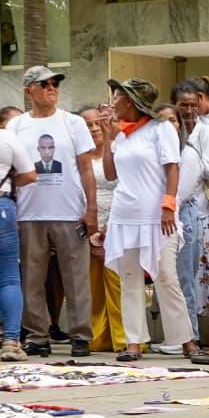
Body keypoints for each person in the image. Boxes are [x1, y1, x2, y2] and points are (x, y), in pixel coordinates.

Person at [100, 79, 201, 362]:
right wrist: (108, 138)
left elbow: (172, 168)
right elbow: (110, 174)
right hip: (125, 215)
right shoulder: (122, 135)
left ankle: (185, 339)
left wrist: (169, 204)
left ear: (130, 102)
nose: (113, 101)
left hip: (156, 216)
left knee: (166, 277)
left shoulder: (161, 129)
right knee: (130, 278)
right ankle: (133, 341)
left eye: (117, 97)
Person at [11, 66, 96, 359]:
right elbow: (9, 169)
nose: (51, 88)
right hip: (28, 212)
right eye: (44, 84)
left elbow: (86, 168)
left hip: (69, 210)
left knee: (76, 277)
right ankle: (37, 335)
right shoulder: (16, 126)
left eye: (54, 83)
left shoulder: (73, 123)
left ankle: (80, 335)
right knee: (32, 279)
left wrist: (91, 208)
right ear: (28, 91)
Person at [171, 82, 209, 349]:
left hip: (200, 212)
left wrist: (189, 160)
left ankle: (205, 336)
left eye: (193, 104)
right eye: (184, 105)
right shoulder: (169, 131)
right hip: (174, 212)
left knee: (200, 278)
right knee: (179, 277)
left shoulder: (205, 132)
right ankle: (183, 334)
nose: (189, 110)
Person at [79, 105, 125, 354]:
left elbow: (126, 186)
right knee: (92, 285)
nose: (95, 128)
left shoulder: (118, 150)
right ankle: (97, 336)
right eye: (88, 124)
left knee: (118, 283)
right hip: (88, 223)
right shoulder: (79, 156)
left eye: (98, 123)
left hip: (116, 222)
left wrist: (110, 224)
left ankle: (124, 337)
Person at [0, 117, 35, 361]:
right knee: (9, 275)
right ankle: (11, 341)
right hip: (2, 206)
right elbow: (30, 174)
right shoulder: (7, 138)